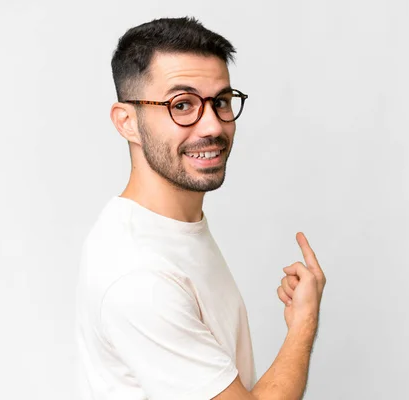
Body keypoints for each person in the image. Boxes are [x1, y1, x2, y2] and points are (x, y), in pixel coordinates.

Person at [76, 17, 326, 400]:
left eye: (221, 102)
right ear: (127, 122)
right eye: (182, 104)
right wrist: (304, 324)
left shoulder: (172, 228)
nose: (212, 125)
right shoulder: (137, 274)